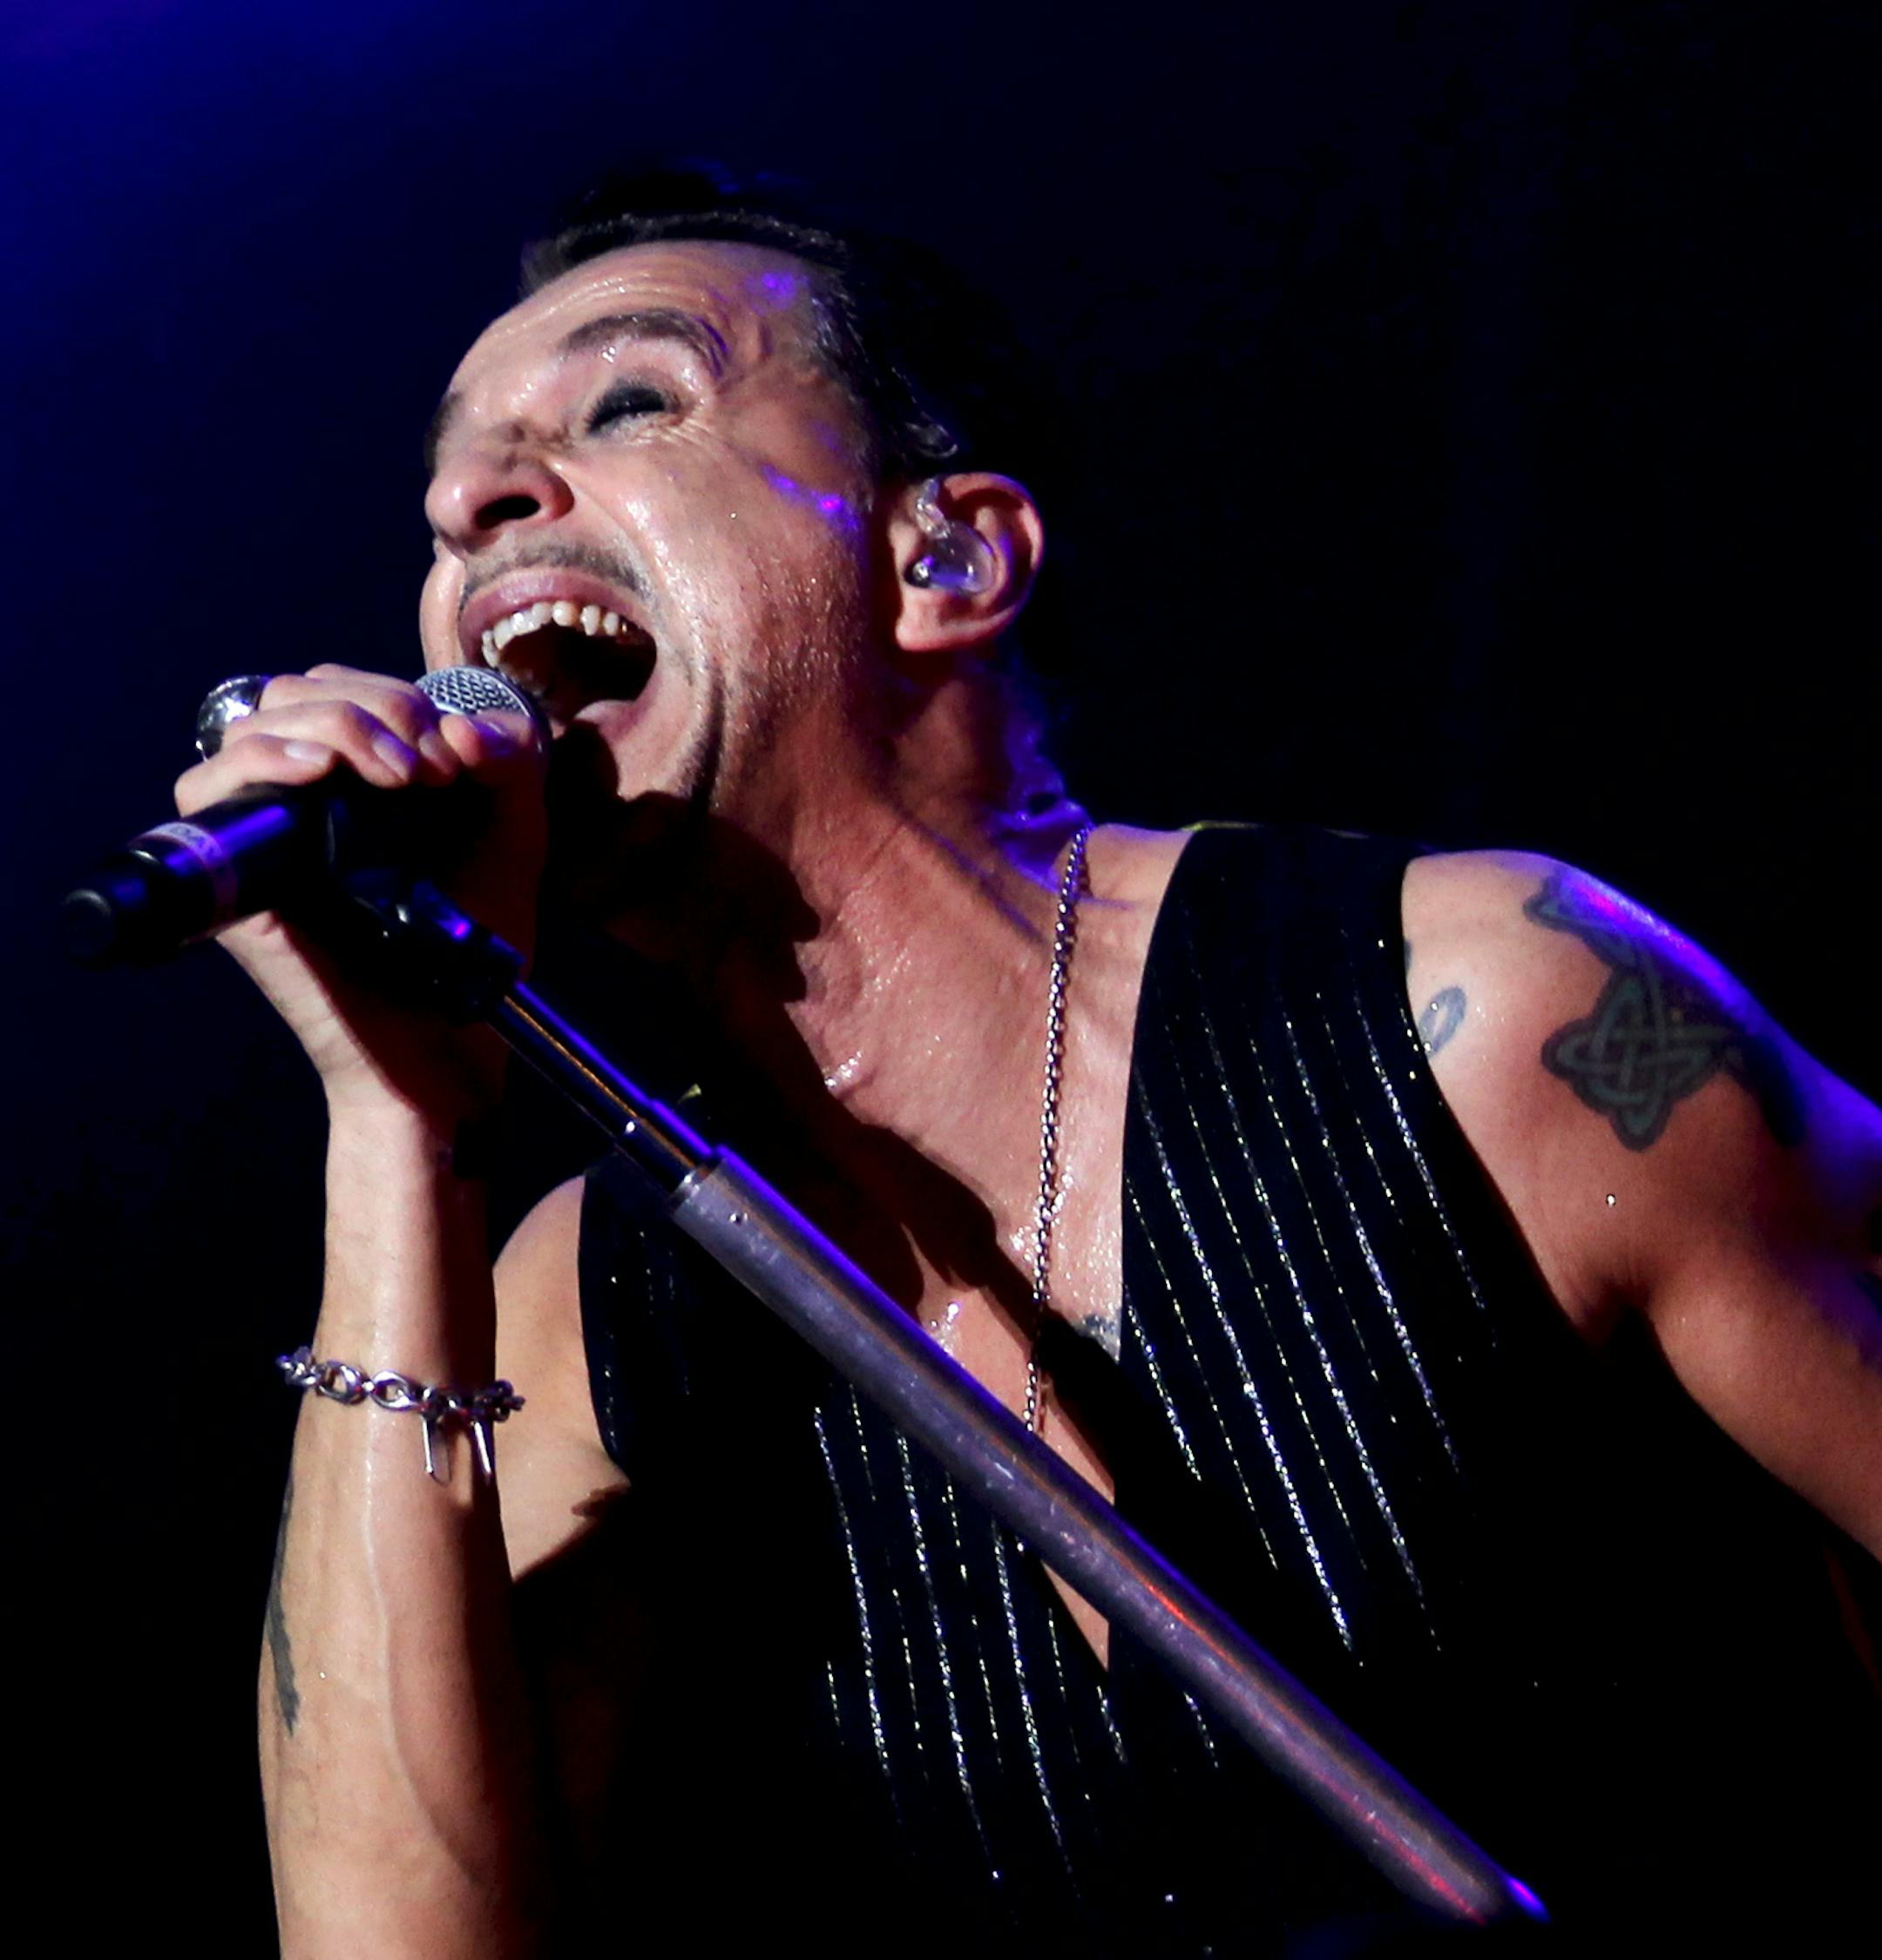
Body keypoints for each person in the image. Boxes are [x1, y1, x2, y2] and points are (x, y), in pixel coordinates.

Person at [176, 177, 1880, 1955]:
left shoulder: (1499, 1008)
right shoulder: (583, 1316)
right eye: (456, 486)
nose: (471, 507)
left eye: (630, 405)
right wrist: (396, 1121)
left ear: (951, 558)